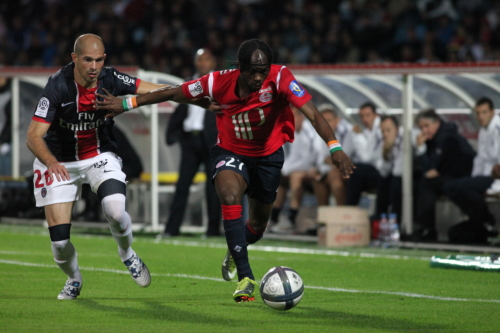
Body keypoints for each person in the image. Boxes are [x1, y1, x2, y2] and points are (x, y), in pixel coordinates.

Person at [95, 39, 354, 303]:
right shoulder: (216, 82)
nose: (257, 76)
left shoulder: (281, 77)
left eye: (262, 70)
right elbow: (174, 92)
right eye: (252, 70)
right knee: (229, 195)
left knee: (258, 224)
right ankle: (245, 276)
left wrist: (335, 147)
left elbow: (312, 113)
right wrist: (127, 105)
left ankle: (236, 247)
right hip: (231, 151)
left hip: (268, 156)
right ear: (238, 67)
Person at [25, 34, 211, 300]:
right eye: (87, 59)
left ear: (104, 60)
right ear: (74, 58)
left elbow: (154, 88)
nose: (93, 66)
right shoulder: (57, 86)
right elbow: (33, 136)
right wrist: (51, 162)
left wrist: (194, 97)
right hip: (59, 161)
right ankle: (74, 278)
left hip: (99, 155)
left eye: (98, 60)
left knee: (115, 210)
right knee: (60, 243)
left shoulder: (111, 78)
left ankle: (127, 252)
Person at [160, 49, 221, 238]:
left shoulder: (220, 84)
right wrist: (175, 135)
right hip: (190, 140)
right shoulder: (189, 83)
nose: (203, 63)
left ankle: (212, 230)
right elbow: (180, 110)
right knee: (182, 187)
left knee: (213, 189)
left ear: (214, 63)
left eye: (207, 59)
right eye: (200, 59)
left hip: (212, 143)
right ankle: (171, 229)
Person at [414, 108, 476, 241]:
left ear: (436, 123)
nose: (424, 131)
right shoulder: (434, 139)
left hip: (461, 177)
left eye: (426, 126)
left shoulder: (447, 137)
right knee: (420, 182)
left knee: (427, 185)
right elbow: (429, 169)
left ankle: (428, 229)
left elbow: (432, 167)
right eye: (421, 127)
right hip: (450, 177)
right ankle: (424, 227)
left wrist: (421, 151)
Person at [441, 98, 500, 236]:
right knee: (456, 187)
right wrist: (473, 180)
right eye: (478, 113)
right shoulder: (484, 132)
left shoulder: (497, 129)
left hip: (494, 179)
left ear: (492, 112)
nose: (480, 117)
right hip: (486, 177)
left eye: (484, 112)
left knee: (454, 187)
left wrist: (493, 187)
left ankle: (485, 220)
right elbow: (480, 160)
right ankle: (482, 221)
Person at [269, 106, 331, 234]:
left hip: (319, 169)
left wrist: (286, 169)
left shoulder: (310, 132)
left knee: (295, 176)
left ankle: (291, 219)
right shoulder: (293, 133)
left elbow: (310, 159)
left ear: (301, 117)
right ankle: (273, 219)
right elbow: (293, 158)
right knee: (280, 179)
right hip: (305, 170)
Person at [346, 102, 386, 214]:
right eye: (362, 116)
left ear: (375, 115)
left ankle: (349, 211)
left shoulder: (379, 129)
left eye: (368, 115)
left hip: (381, 171)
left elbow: (366, 158)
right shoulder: (368, 131)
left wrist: (358, 137)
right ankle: (349, 211)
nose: (364, 119)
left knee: (356, 170)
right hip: (374, 170)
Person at [0, 77, 12, 176]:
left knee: (6, 173)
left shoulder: (11, 95)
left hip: (6, 143)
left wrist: (3, 140)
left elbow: (12, 121)